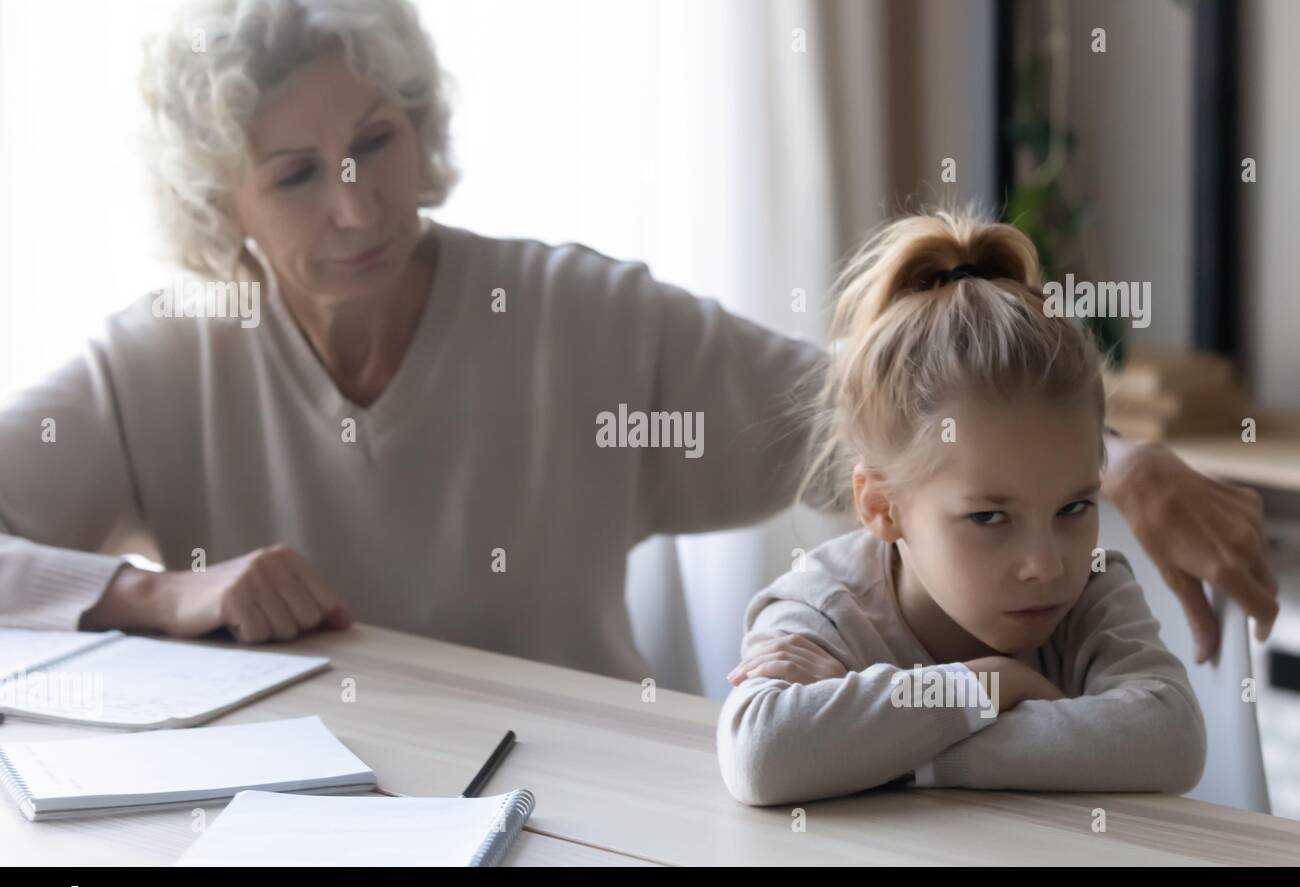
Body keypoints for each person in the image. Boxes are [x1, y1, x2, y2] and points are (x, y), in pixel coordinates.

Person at [0, 0, 1276, 683]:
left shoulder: (571, 313)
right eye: (294, 173)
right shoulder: (160, 360)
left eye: (374, 143)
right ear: (214, 203)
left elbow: (880, 416)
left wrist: (1116, 463)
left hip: (570, 802)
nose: (356, 203)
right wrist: (161, 594)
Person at [719, 212, 1205, 805]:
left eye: (1074, 507)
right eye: (990, 518)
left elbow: (1171, 739)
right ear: (881, 505)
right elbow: (764, 756)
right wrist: (995, 684)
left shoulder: (1092, 592)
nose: (1047, 565)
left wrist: (881, 748)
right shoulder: (824, 608)